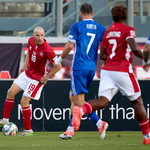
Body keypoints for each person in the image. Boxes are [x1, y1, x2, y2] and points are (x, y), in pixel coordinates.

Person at [72, 6, 150, 145]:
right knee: (138, 102)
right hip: (123, 69)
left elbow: (102, 55)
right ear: (125, 16)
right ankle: (147, 136)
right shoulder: (128, 30)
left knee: (102, 102)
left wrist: (113, 58)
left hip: (107, 70)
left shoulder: (107, 33)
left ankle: (81, 110)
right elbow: (135, 48)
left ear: (113, 17)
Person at [0, 26, 62, 136]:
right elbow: (29, 51)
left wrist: (46, 77)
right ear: (33, 36)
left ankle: (28, 130)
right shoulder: (30, 41)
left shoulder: (47, 49)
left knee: (24, 101)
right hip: (27, 73)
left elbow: (58, 66)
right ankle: (5, 120)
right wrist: (24, 65)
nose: (40, 38)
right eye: (38, 35)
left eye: (42, 35)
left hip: (37, 79)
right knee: (10, 92)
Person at [54, 3, 108, 140]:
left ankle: (100, 123)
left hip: (79, 66)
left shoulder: (77, 26)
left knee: (79, 100)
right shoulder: (101, 28)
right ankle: (70, 129)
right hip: (91, 67)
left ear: (80, 13)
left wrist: (59, 59)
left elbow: (69, 45)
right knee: (73, 96)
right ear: (93, 12)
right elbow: (106, 49)